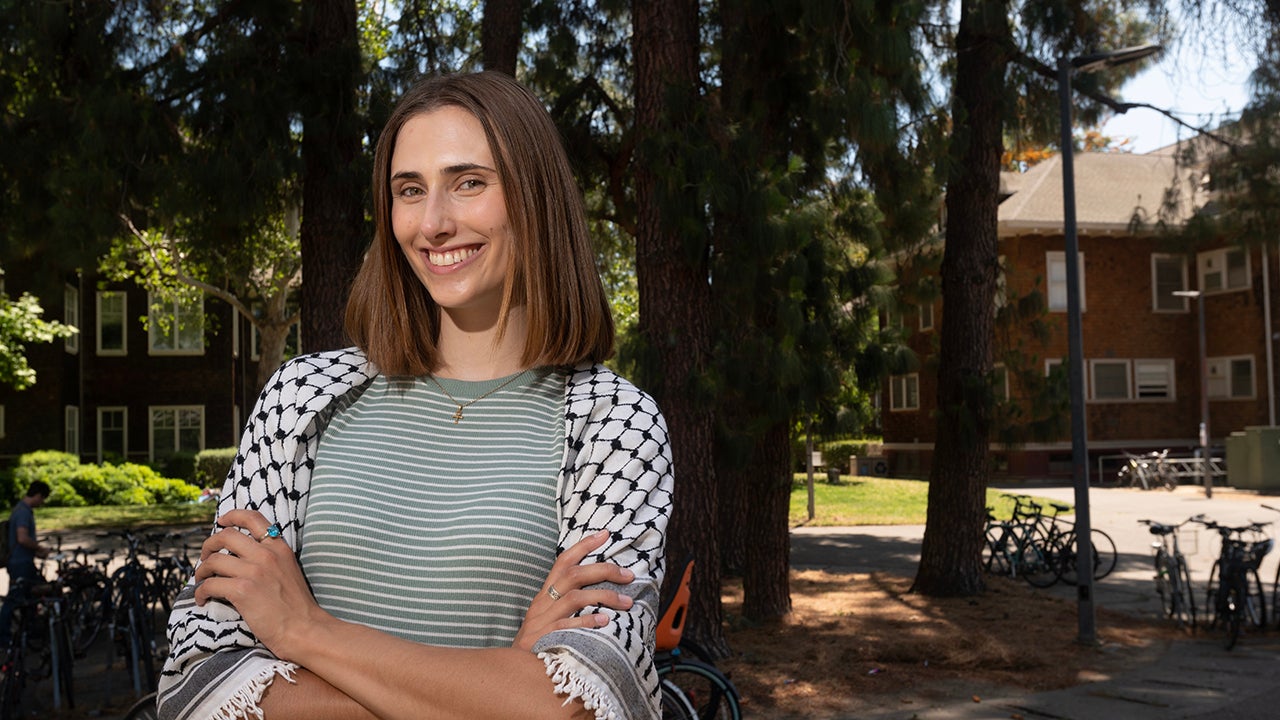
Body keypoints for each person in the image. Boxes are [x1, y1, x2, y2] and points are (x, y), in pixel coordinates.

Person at [158, 71, 673, 720]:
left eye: (469, 183)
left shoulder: (614, 422)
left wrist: (303, 631)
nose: (433, 223)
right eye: (409, 190)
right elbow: (200, 682)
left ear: (536, 197)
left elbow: (580, 705)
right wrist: (494, 688)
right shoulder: (303, 399)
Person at [0, 481, 51, 645]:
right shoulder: (23, 513)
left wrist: (35, 551)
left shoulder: (20, 509)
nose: (41, 503)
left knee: (30, 596)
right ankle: (4, 636)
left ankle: (30, 630)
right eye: (42, 499)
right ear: (38, 495)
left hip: (22, 560)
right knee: (15, 598)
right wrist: (39, 548)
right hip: (20, 563)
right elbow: (22, 538)